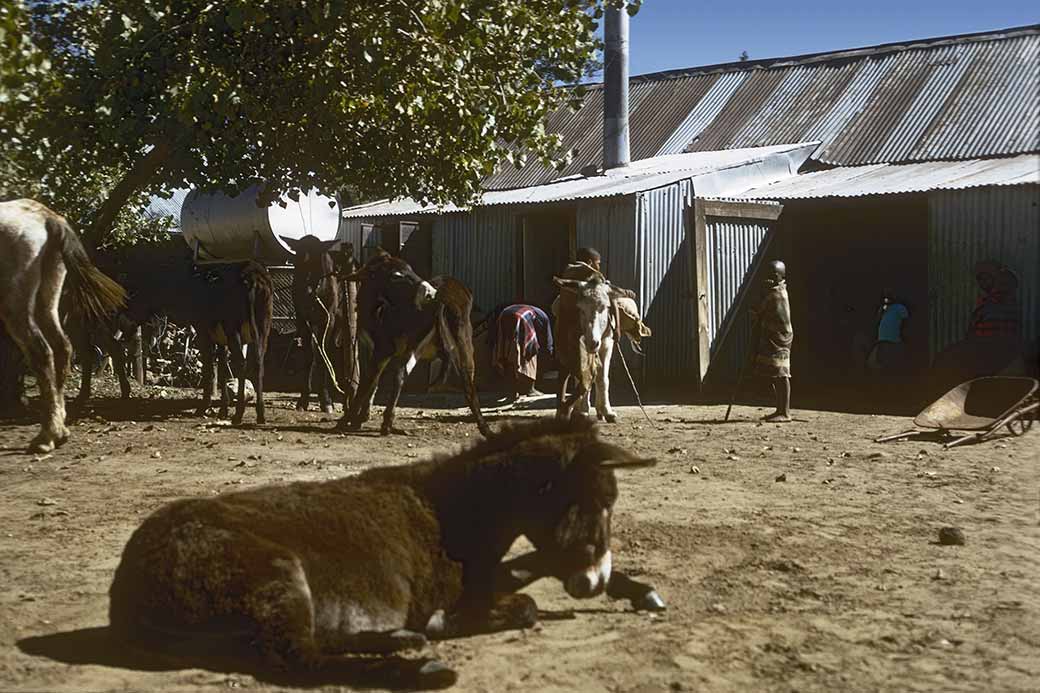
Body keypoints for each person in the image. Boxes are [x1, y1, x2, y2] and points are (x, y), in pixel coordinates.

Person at [750, 260, 793, 422]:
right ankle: (780, 409)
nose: (768, 278)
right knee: (776, 374)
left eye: (772, 274)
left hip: (780, 337)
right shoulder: (776, 290)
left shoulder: (776, 293)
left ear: (780, 276)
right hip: (775, 334)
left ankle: (785, 412)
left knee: (782, 374)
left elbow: (759, 309)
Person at [491, 303, 553, 401]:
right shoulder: (545, 318)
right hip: (521, 317)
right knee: (530, 352)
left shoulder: (534, 311)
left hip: (504, 315)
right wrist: (548, 355)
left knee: (508, 353)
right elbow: (548, 342)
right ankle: (530, 390)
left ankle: (512, 392)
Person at [866, 289, 910, 376]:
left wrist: (903, 339)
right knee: (877, 366)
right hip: (882, 341)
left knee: (892, 368)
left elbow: (906, 324)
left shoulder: (900, 307)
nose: (887, 298)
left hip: (894, 341)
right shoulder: (884, 309)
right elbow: (877, 322)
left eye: (889, 295)